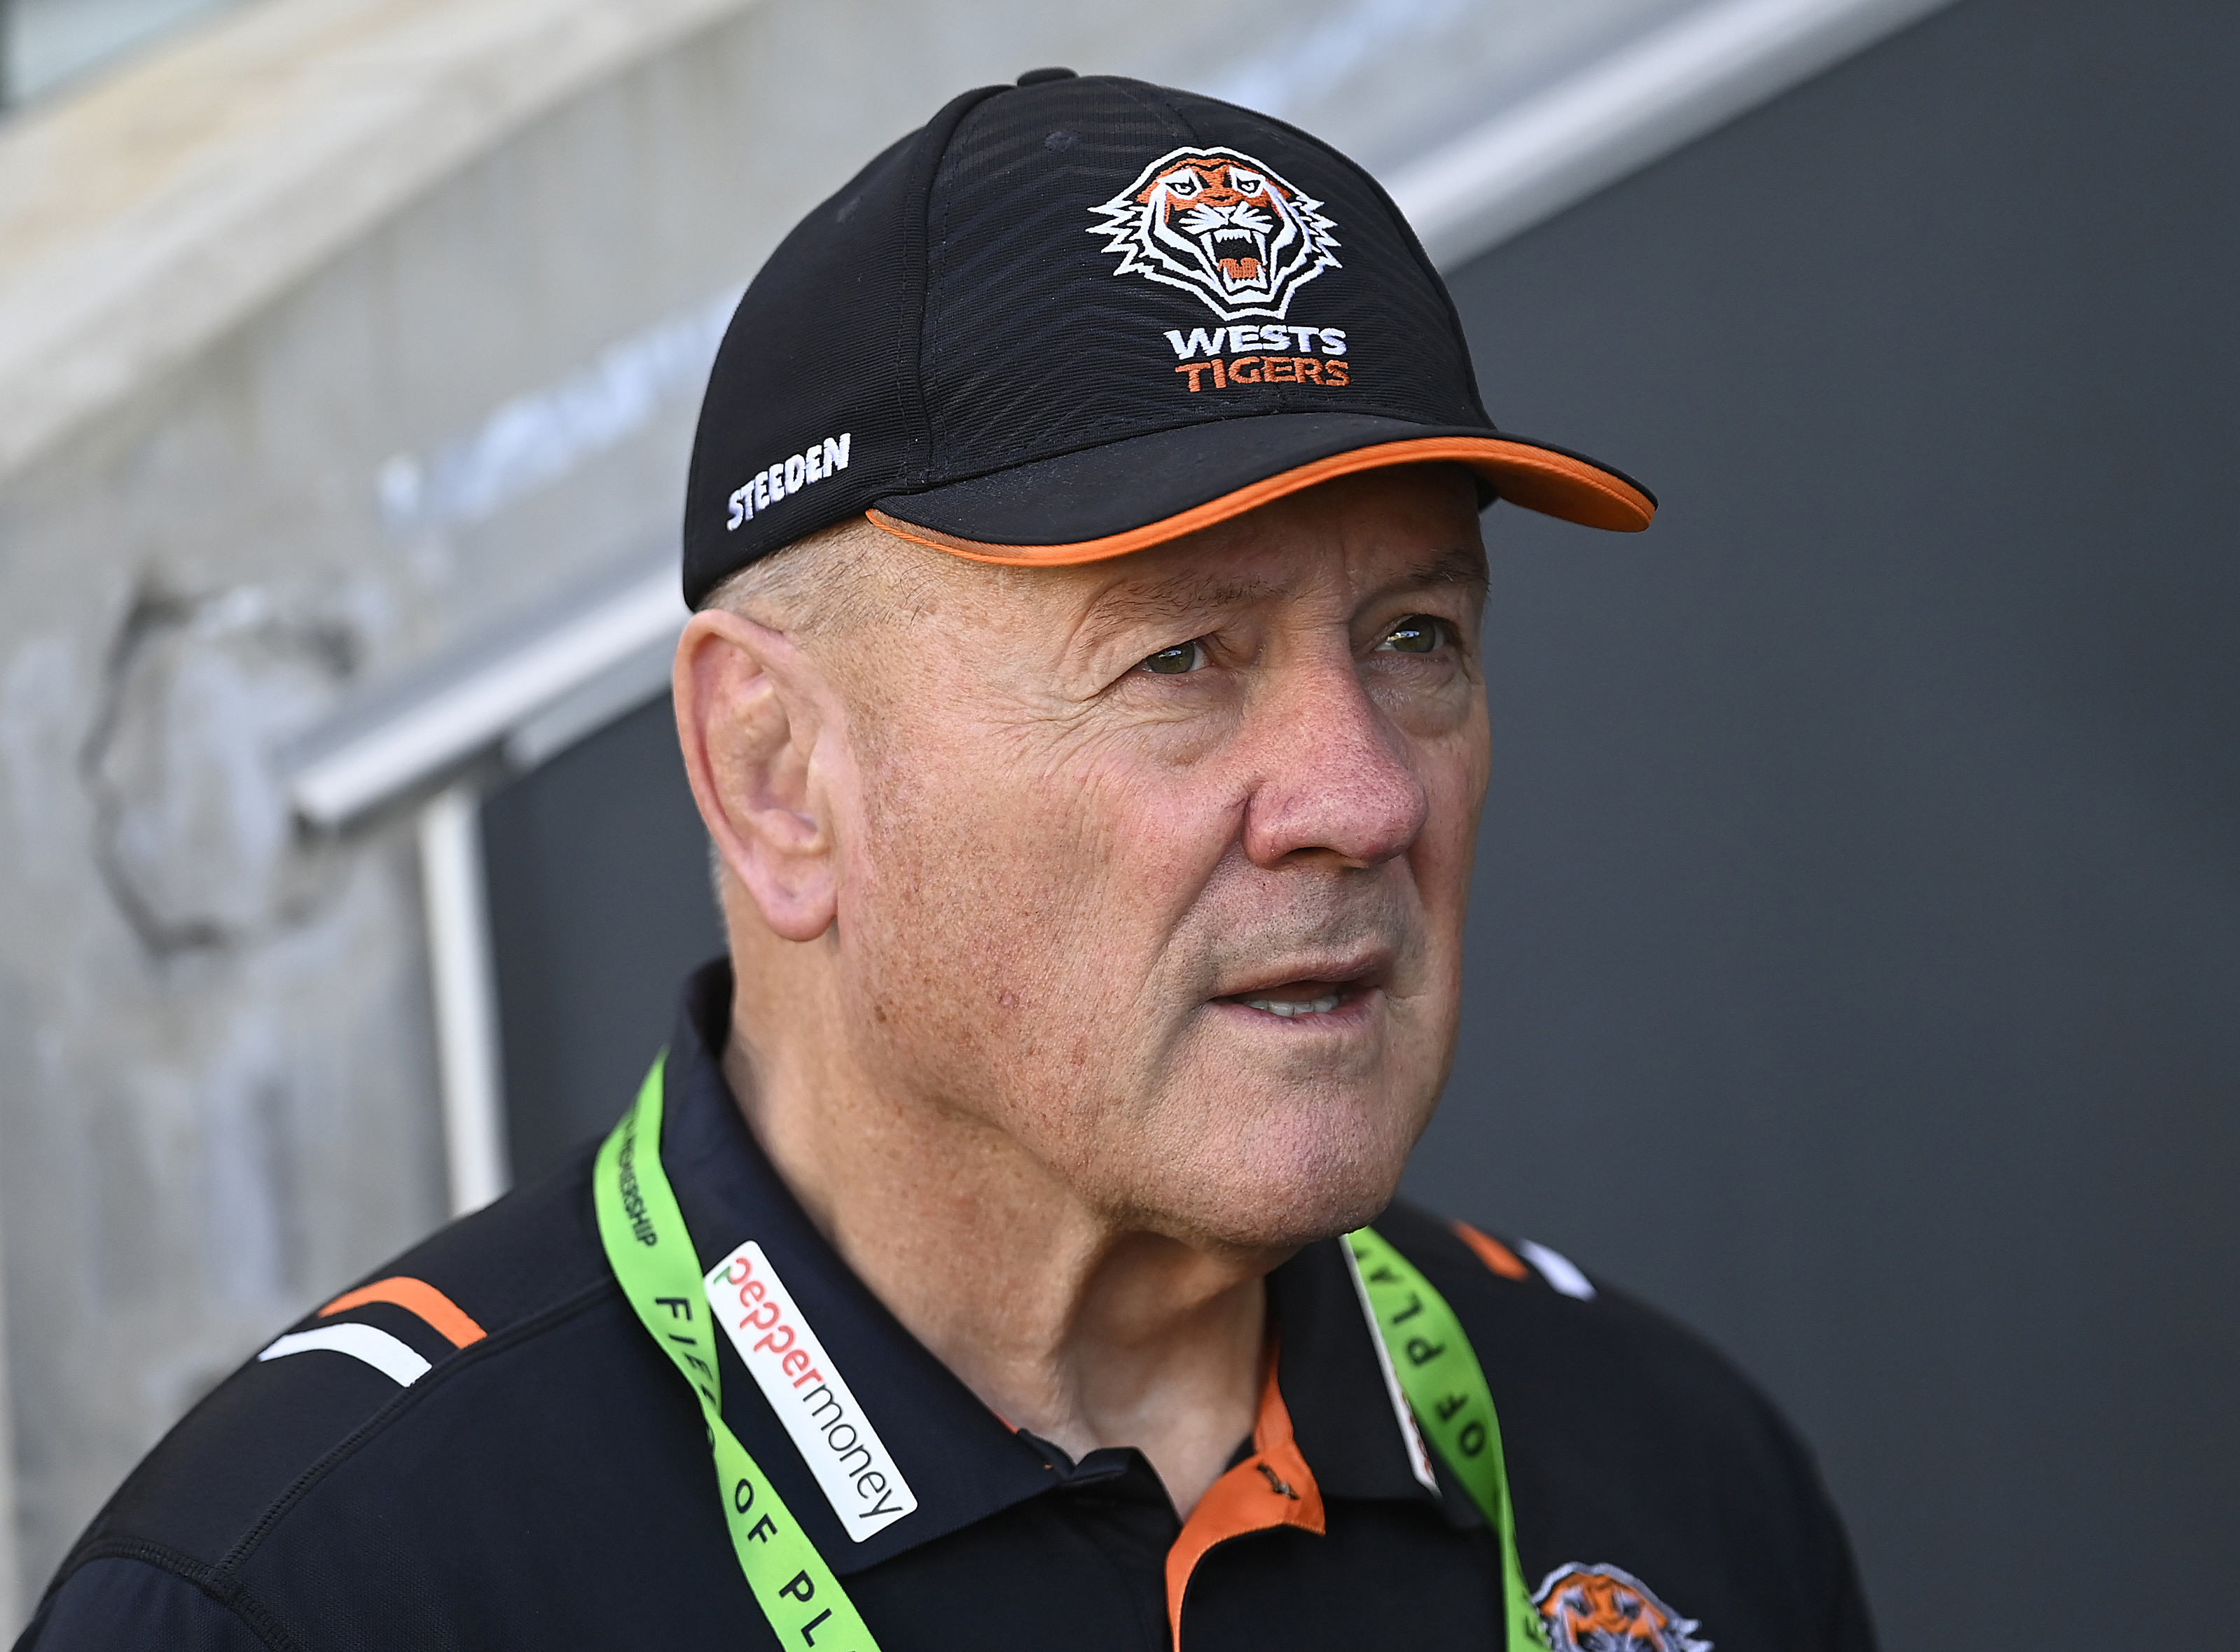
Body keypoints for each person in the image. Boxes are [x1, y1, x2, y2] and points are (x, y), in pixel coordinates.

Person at [15, 71, 1875, 1652]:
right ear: (776, 776)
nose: (1360, 797)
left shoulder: (1660, 1464)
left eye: (1414, 638)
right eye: (1181, 657)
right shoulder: (322, 1591)